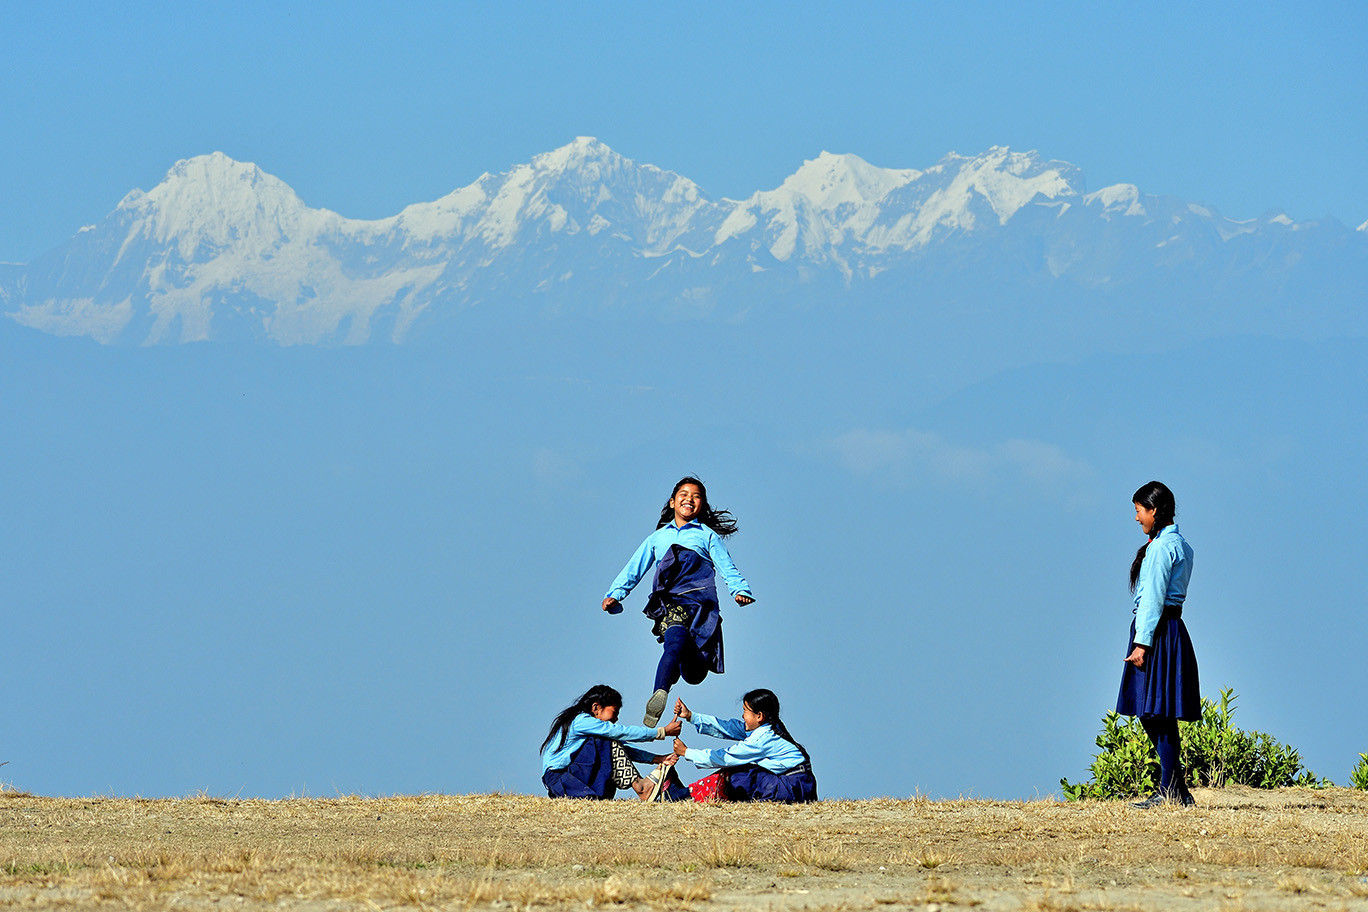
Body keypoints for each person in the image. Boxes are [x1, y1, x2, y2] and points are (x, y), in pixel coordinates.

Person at [602, 477, 755, 725]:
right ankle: (659, 692)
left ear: (702, 505)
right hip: (670, 603)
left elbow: (728, 568)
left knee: (694, 674)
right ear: (673, 502)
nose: (689, 499)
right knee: (672, 645)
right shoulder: (657, 538)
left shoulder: (707, 536)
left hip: (701, 606)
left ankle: (685, 663)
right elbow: (634, 568)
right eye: (683, 494)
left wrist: (740, 590)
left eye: (696, 496)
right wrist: (615, 594)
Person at [1116, 481, 1201, 807]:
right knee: (1157, 711)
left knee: (1152, 712)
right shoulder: (1183, 546)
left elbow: (1152, 599)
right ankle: (1176, 789)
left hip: (1156, 631)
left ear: (1153, 510)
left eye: (1139, 511)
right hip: (1172, 628)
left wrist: (1141, 644)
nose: (1137, 518)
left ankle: (1170, 789)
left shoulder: (1160, 549)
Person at [668, 689, 817, 803]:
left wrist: (687, 752)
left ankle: (683, 796)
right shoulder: (767, 727)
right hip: (797, 784)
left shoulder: (762, 739)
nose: (743, 716)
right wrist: (690, 716)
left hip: (794, 788)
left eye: (745, 712)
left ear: (759, 716)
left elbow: (726, 757)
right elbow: (729, 728)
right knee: (740, 773)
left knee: (738, 775)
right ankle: (687, 793)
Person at [540, 684, 684, 800]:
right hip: (562, 781)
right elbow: (619, 733)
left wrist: (658, 759)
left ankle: (650, 788)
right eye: (614, 713)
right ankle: (641, 787)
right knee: (608, 737)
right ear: (596, 708)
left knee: (609, 740)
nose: (616, 720)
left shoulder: (591, 732)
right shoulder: (581, 721)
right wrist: (662, 731)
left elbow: (618, 749)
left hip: (575, 781)